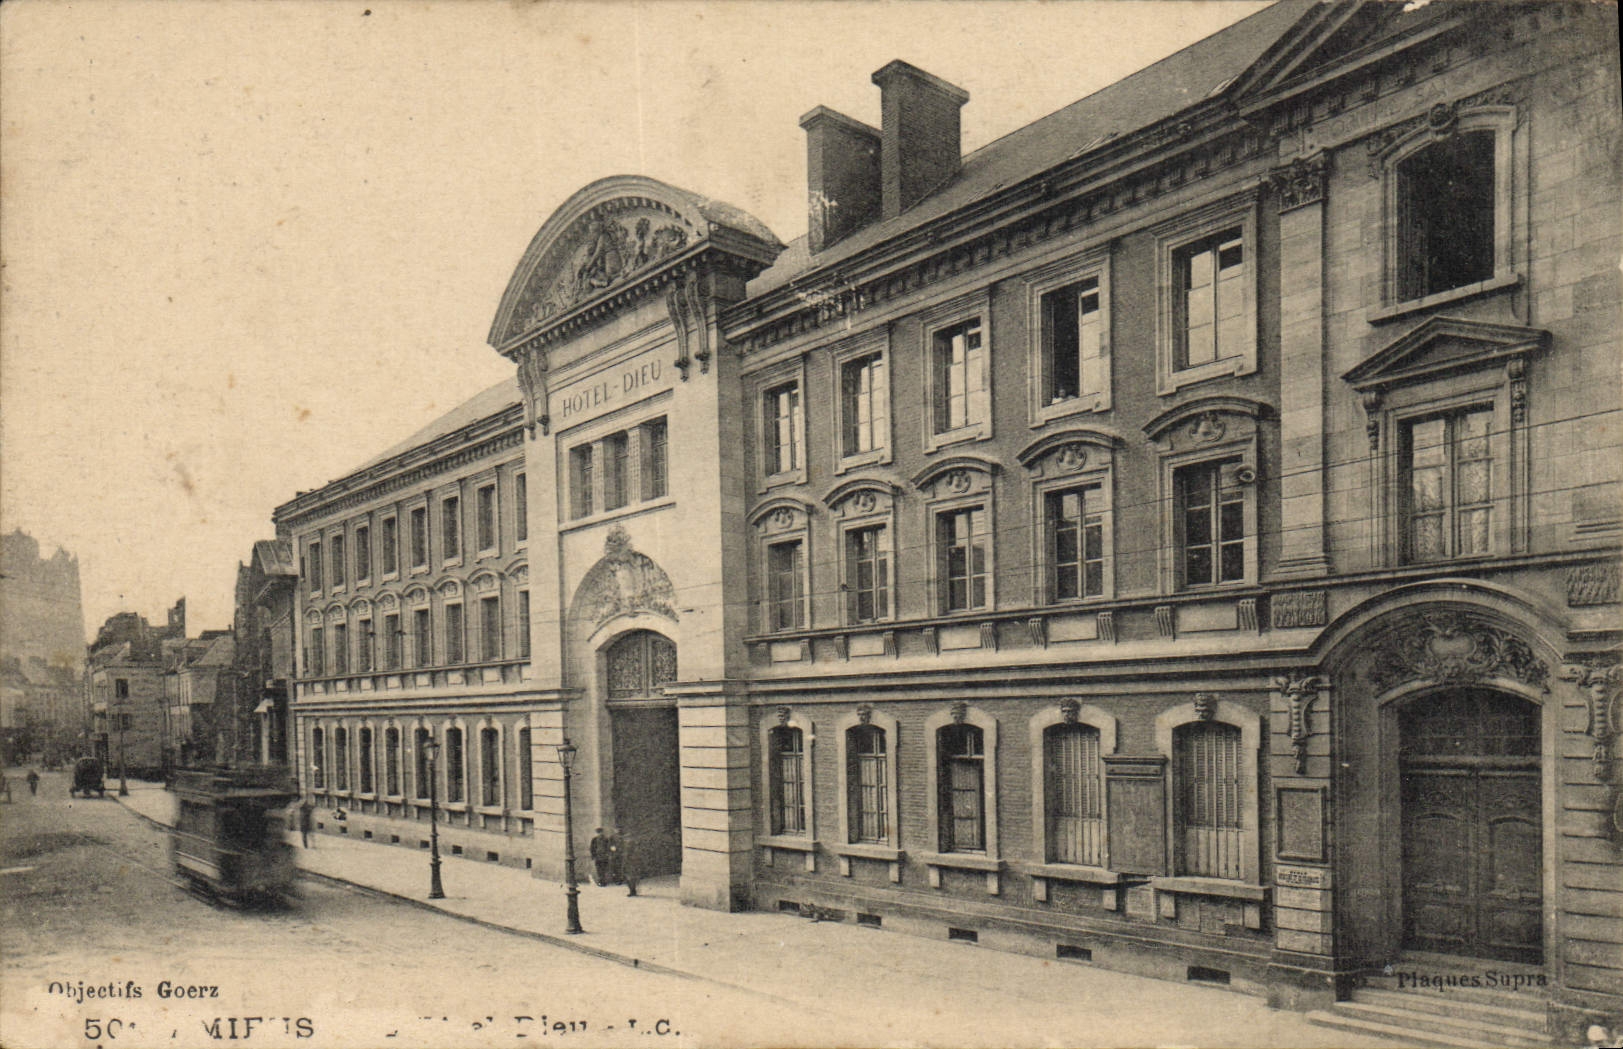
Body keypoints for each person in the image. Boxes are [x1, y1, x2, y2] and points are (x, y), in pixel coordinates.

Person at [616, 827, 638, 897]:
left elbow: (627, 854)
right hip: (630, 862)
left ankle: (632, 891)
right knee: (630, 877)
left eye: (627, 838)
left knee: (629, 877)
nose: (626, 839)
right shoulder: (630, 844)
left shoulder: (629, 845)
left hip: (629, 862)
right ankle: (633, 890)